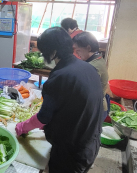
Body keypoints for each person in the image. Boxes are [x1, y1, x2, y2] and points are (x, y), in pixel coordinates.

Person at [15, 27, 103, 172]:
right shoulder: (87, 68)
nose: (44, 57)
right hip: (91, 144)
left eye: (44, 52)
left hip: (71, 153)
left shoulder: (61, 76)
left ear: (53, 52)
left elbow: (43, 117)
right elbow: (73, 107)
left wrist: (22, 127)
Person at [73, 31, 109, 122]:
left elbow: (85, 91)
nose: (77, 54)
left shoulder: (93, 66)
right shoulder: (98, 58)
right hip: (97, 106)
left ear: (88, 48)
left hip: (95, 109)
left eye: (78, 51)